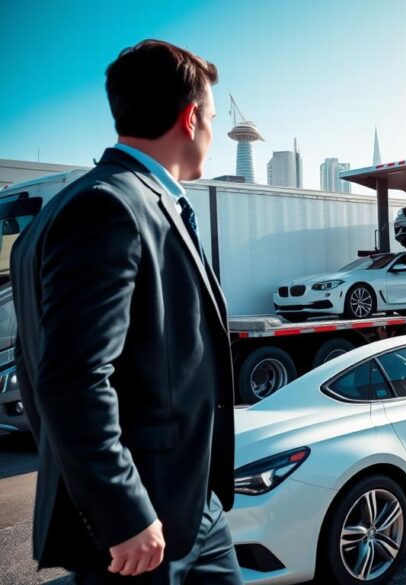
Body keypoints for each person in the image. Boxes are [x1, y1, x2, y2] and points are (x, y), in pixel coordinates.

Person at [11, 40, 240, 583]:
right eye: (210, 114)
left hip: (191, 508)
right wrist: (125, 512)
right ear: (189, 118)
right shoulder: (109, 206)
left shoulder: (91, 204)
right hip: (141, 532)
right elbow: (71, 378)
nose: (210, 128)